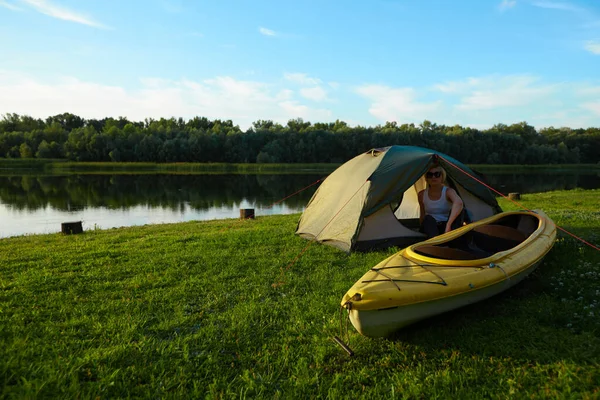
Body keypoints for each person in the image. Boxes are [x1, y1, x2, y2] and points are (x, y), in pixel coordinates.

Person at [418, 165, 464, 238]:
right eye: (430, 175)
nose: (433, 177)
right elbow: (422, 214)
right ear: (426, 178)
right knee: (428, 219)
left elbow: (459, 203)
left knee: (460, 212)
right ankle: (436, 241)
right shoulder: (422, 194)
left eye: (437, 174)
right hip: (430, 226)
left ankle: (445, 240)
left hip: (445, 225)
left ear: (442, 177)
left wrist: (448, 225)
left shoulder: (448, 191)